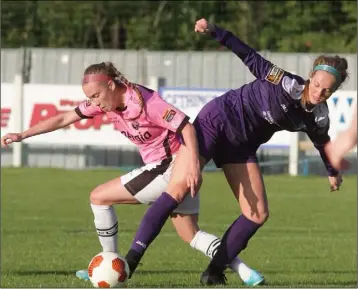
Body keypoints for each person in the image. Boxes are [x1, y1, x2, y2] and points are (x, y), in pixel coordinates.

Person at [122, 18, 348, 286]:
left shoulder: (318, 116)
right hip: (216, 122)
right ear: (311, 76)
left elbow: (322, 142)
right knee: (179, 188)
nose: (320, 91)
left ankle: (214, 272)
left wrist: (332, 171)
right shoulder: (284, 82)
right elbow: (249, 56)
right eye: (318, 83)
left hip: (241, 146)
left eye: (328, 89)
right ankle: (129, 263)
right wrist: (215, 31)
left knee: (257, 213)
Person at [1, 61, 264, 286]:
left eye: (96, 96)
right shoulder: (105, 104)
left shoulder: (147, 102)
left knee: (99, 197)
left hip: (170, 166)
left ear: (112, 86)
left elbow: (186, 127)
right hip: (170, 168)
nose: (93, 103)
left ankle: (110, 264)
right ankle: (246, 272)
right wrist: (22, 135)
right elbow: (62, 119)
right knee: (190, 234)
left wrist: (193, 163)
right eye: (90, 98)